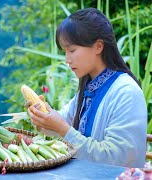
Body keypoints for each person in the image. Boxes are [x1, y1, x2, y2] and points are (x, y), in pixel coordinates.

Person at [26, 8, 147, 168]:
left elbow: (117, 159)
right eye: (65, 52)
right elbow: (62, 121)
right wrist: (42, 117)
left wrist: (62, 128)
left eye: (72, 50)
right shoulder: (89, 87)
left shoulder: (126, 92)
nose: (67, 60)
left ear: (98, 46)